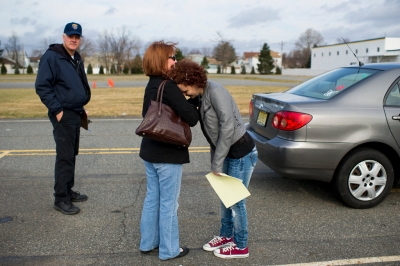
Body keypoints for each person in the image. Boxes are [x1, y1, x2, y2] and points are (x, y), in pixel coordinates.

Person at [173, 60, 258, 259]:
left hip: (241, 153)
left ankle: (241, 245)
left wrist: (216, 162)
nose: (186, 95)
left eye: (185, 90)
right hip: (227, 152)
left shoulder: (216, 91)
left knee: (236, 202)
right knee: (225, 199)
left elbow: (227, 128)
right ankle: (226, 235)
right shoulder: (202, 95)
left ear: (191, 80)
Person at [138, 41, 199, 260]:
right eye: (172, 57)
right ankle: (169, 250)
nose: (175, 60)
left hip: (149, 152)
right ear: (162, 61)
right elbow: (191, 118)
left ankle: (148, 243)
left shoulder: (151, 85)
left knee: (152, 198)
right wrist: (194, 99)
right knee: (169, 204)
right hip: (168, 155)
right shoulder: (169, 87)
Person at [35, 22, 91, 215]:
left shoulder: (75, 57)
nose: (74, 39)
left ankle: (68, 189)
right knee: (65, 156)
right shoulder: (52, 57)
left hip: (75, 112)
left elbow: (76, 87)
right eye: (70, 36)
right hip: (63, 113)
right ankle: (61, 198)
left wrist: (81, 107)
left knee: (72, 153)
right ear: (63, 37)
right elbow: (43, 86)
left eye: (77, 36)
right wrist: (57, 109)